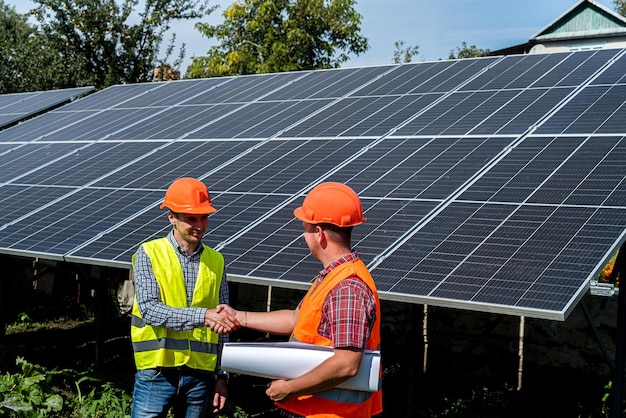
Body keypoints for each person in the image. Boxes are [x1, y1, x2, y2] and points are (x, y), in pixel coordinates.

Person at [221, 182, 383, 418]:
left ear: (319, 234)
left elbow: (346, 363)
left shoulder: (347, 287)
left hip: (331, 413)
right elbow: (296, 319)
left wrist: (289, 387)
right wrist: (238, 317)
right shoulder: (333, 277)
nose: (303, 234)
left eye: (305, 228)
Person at [130, 177, 238, 418]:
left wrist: (222, 376)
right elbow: (149, 309)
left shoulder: (216, 260)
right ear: (171, 217)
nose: (199, 225)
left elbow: (224, 325)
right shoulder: (149, 253)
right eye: (191, 218)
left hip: (200, 375)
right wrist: (204, 315)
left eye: (204, 217)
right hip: (156, 372)